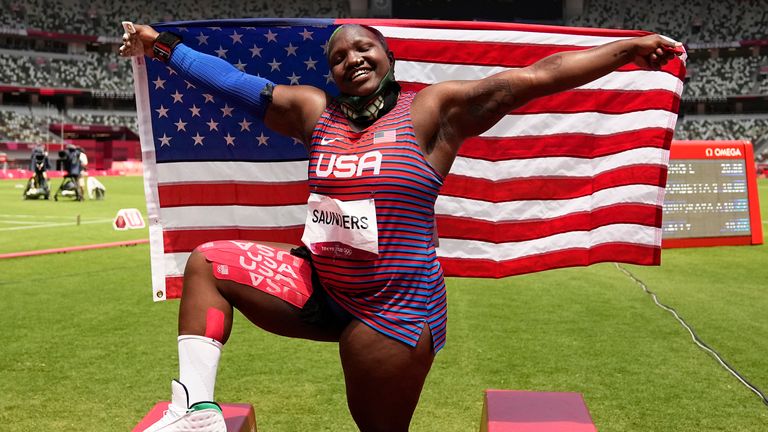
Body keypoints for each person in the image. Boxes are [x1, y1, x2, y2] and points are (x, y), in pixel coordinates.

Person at [120, 23, 681, 432]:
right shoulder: (316, 111)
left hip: (395, 306)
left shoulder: (432, 110)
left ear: (388, 55)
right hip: (322, 287)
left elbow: (536, 77)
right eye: (339, 56)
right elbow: (233, 83)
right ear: (330, 70)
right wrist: (159, 46)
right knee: (206, 264)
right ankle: (195, 413)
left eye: (364, 48)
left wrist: (628, 50)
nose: (352, 59)